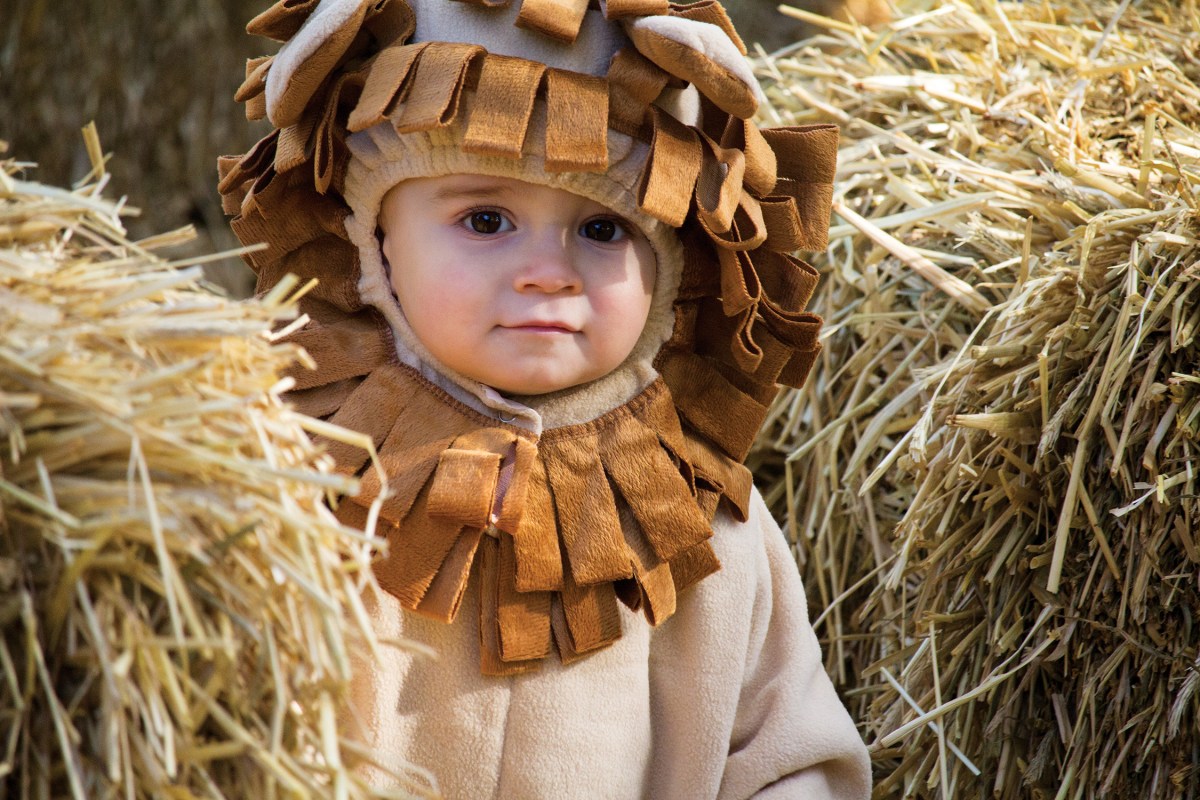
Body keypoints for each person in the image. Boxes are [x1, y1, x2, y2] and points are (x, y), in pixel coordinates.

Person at [218, 0, 871, 797]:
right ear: (375, 235)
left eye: (602, 230)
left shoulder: (701, 523)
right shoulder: (297, 468)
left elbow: (791, 753)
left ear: (671, 261)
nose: (548, 272)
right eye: (486, 219)